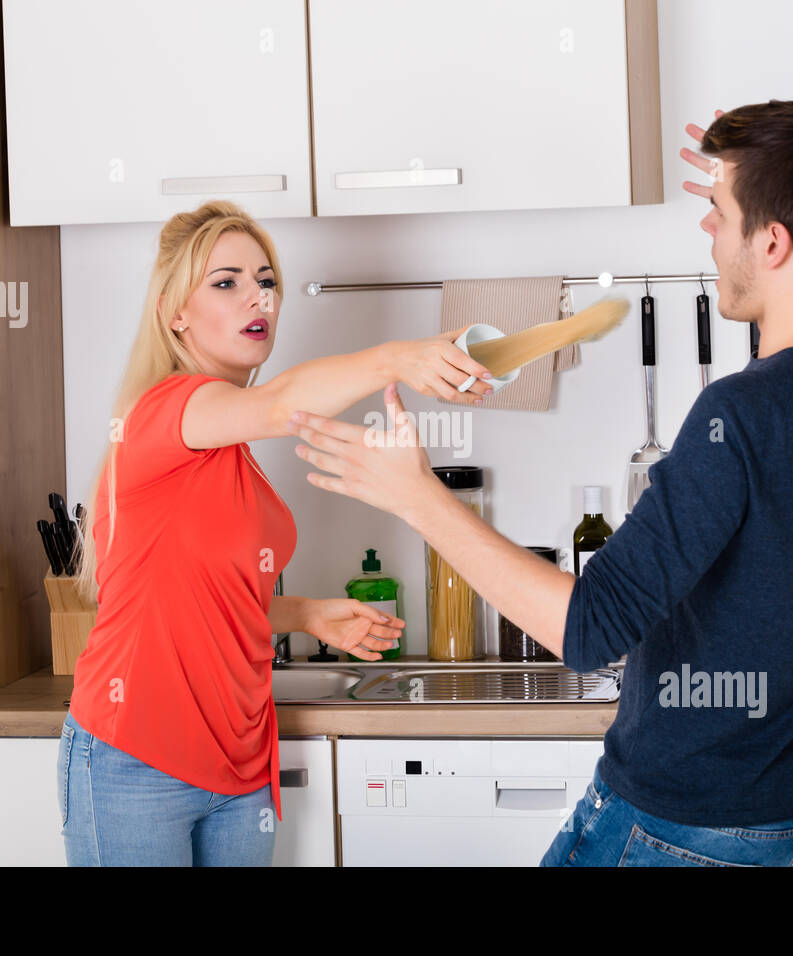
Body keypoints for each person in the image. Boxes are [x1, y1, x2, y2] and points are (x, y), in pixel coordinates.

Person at [286, 101, 793, 867]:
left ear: (775, 242)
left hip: (687, 831)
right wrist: (770, 187)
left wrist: (414, 495)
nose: (707, 230)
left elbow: (589, 629)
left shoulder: (742, 416)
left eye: (719, 216)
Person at [59, 200, 498, 866]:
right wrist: (398, 358)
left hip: (239, 760)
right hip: (134, 757)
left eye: (265, 280)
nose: (256, 296)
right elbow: (281, 403)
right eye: (226, 281)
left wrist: (308, 614)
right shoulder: (164, 410)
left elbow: (206, 597)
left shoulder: (228, 446)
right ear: (176, 312)